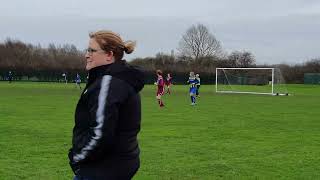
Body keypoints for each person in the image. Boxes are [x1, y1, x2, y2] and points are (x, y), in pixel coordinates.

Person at [68, 30, 145, 180]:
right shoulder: (119, 79)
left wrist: (77, 158)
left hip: (103, 169)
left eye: (92, 50)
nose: (86, 55)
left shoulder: (109, 83)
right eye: (87, 50)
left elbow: (100, 133)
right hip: (119, 164)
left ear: (109, 55)